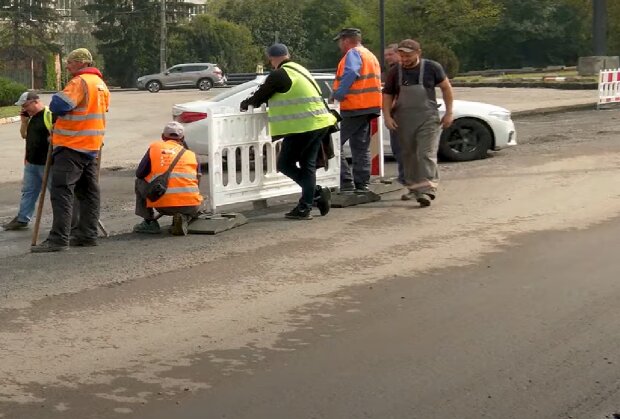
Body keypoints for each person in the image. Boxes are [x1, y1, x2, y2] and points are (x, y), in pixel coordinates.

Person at [240, 43, 335, 220]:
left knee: (285, 164)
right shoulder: (299, 69)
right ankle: (308, 202)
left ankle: (314, 196)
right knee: (307, 166)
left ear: (271, 59)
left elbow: (260, 96)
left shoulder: (279, 74)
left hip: (303, 126)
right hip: (320, 123)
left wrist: (245, 104)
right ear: (288, 55)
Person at [31, 48, 110, 252]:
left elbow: (59, 105)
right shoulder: (100, 84)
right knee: (88, 192)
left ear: (82, 62)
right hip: (91, 146)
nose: (67, 66)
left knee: (62, 191)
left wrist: (58, 96)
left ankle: (58, 239)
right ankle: (87, 234)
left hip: (72, 145)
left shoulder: (79, 82)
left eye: (71, 62)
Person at [382, 39, 454, 207]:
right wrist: (387, 116)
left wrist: (449, 112)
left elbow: (446, 88)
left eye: (408, 55)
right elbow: (387, 95)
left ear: (418, 53)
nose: (405, 59)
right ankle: (414, 188)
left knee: (425, 153)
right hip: (403, 119)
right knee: (408, 155)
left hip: (428, 118)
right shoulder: (395, 72)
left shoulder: (432, 67)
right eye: (402, 55)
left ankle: (428, 190)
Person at [332, 28, 382, 193]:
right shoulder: (369, 55)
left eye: (340, 41)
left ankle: (345, 181)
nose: (339, 45)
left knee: (333, 142)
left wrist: (338, 94)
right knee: (360, 147)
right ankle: (362, 184)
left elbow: (352, 72)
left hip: (353, 106)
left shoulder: (353, 54)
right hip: (369, 106)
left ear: (346, 40)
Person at [133, 122, 203, 236]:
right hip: (190, 205)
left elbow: (140, 174)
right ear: (183, 138)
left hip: (162, 205)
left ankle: (149, 222)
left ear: (162, 136)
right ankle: (184, 218)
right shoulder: (192, 155)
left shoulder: (155, 148)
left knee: (139, 182)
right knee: (195, 193)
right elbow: (197, 181)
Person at [2, 92, 54, 231]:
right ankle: (22, 219)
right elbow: (24, 135)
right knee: (28, 191)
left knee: (56, 194)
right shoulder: (31, 118)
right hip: (31, 163)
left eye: (25, 106)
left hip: (48, 164)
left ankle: (63, 222)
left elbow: (58, 137)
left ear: (35, 102)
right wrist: (24, 122)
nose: (24, 109)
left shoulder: (49, 115)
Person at [383, 43, 405, 185]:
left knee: (400, 148)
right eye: (386, 55)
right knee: (398, 148)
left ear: (399, 54)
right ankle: (405, 176)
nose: (387, 58)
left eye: (391, 54)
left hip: (400, 113)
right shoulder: (393, 70)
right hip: (396, 113)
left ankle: (405, 177)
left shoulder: (399, 71)